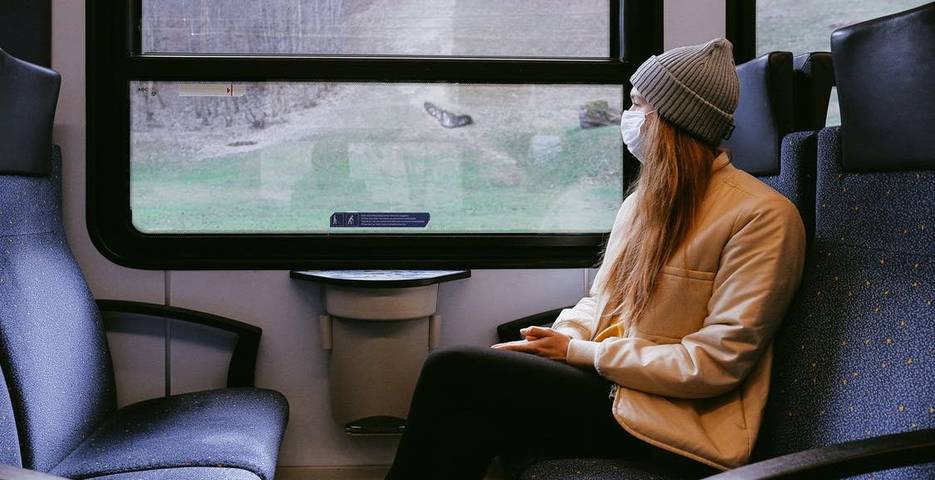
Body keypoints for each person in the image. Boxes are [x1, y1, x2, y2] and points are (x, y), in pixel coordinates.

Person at [385, 38, 806, 480]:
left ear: (672, 120)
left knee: (454, 373)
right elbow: (601, 302)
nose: (629, 118)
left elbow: (714, 364)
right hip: (618, 388)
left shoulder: (762, 217)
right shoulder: (645, 202)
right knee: (473, 403)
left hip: (673, 419)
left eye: (639, 104)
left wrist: (579, 352)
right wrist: (554, 343)